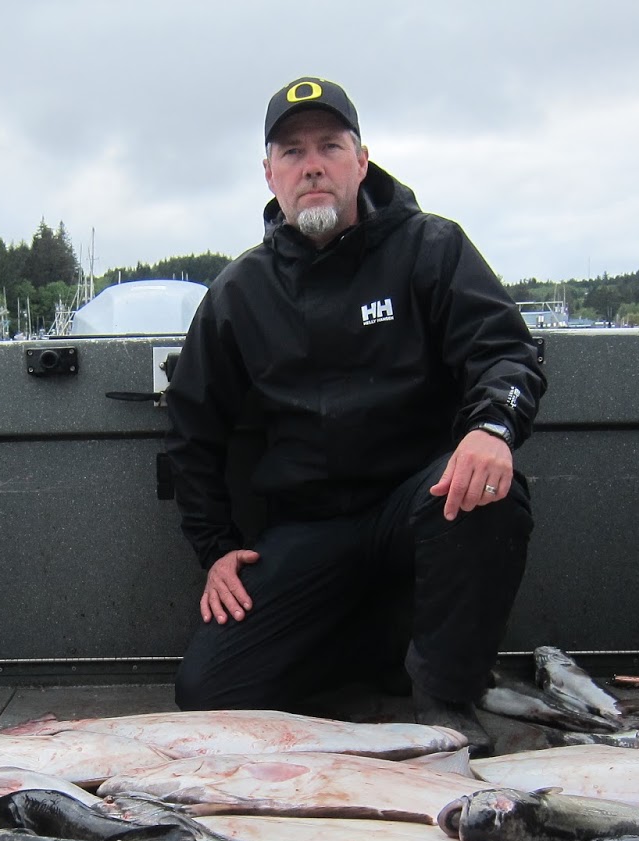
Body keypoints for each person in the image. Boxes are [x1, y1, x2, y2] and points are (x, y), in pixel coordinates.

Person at [164, 76, 544, 752]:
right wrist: (216, 549)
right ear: (270, 174)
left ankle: (446, 696)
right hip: (309, 528)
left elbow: (507, 354)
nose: (312, 164)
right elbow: (193, 432)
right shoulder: (239, 291)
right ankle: (382, 641)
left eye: (330, 147)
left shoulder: (431, 248)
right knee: (209, 692)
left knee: (493, 487)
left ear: (361, 162)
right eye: (292, 152)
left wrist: (492, 429)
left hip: (420, 505)